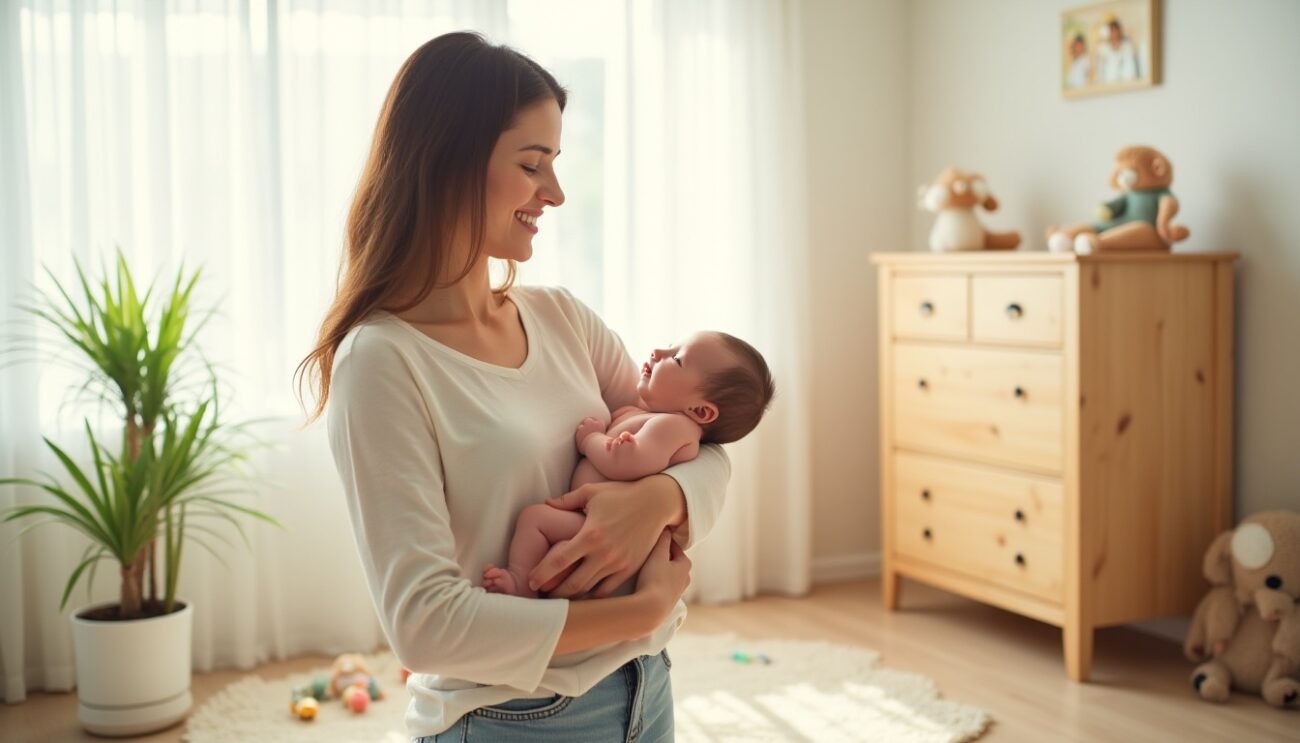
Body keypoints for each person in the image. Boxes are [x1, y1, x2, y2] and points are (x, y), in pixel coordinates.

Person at [296, 32, 732, 742]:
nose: (555, 193)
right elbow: (424, 625)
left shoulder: (561, 317)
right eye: (534, 165)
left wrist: (658, 498)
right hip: (511, 719)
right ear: (447, 164)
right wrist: (638, 610)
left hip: (647, 686)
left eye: (556, 165)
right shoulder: (382, 362)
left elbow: (704, 446)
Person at [484, 331, 774, 598]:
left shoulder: (676, 427)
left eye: (676, 358)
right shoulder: (645, 414)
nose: (659, 351)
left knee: (534, 518)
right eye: (671, 344)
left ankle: (521, 581)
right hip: (591, 521)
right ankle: (541, 580)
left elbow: (627, 463)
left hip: (599, 524)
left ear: (700, 410)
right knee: (555, 549)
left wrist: (591, 440)